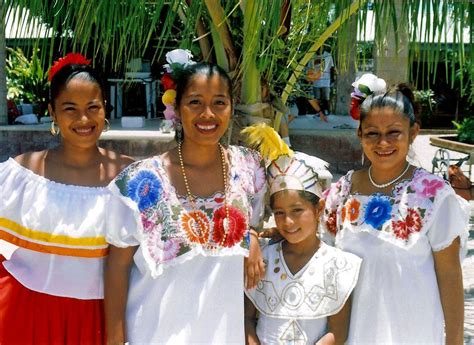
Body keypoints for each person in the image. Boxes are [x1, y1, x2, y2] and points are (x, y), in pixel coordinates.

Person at [104, 61, 267, 344]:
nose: (208, 114)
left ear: (231, 107)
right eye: (195, 102)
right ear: (177, 108)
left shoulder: (249, 169)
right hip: (154, 335)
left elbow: (256, 226)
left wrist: (251, 236)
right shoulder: (141, 182)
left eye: (219, 103)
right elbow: (116, 269)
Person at [0, 53, 134, 343]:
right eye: (70, 108)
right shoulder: (20, 176)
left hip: (104, 318)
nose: (83, 119)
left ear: (105, 108)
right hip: (27, 315)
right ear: (53, 111)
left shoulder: (132, 178)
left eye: (92, 107)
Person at [320, 84, 470, 344]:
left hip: (413, 332)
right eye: (372, 133)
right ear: (359, 133)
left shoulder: (434, 195)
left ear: (413, 132)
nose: (383, 143)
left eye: (394, 133)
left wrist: (454, 340)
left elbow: (450, 275)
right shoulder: (341, 193)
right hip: (353, 334)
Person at [242, 127, 361, 345]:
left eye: (297, 210)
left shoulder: (337, 265)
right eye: (279, 213)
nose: (288, 222)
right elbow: (247, 318)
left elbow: (338, 331)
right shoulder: (263, 260)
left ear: (318, 208)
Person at [306, 50, 334, 120]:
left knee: (326, 97)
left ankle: (326, 112)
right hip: (315, 80)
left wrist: (332, 78)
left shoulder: (328, 55)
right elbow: (309, 68)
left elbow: (331, 67)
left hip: (325, 80)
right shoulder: (312, 55)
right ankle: (319, 113)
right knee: (317, 97)